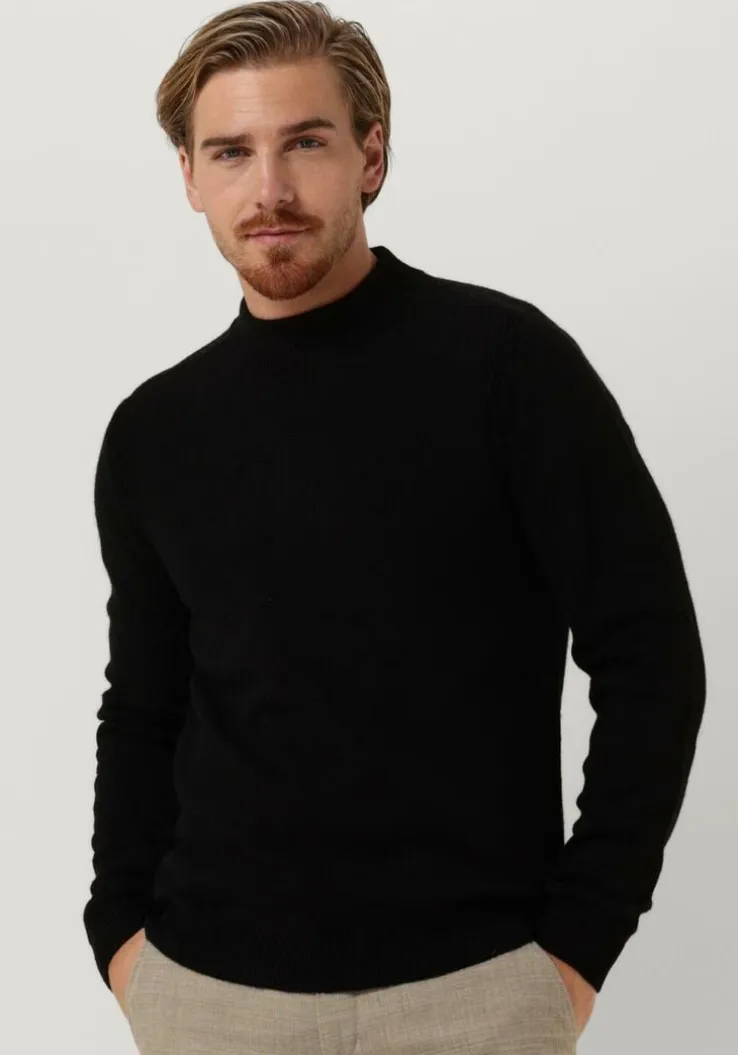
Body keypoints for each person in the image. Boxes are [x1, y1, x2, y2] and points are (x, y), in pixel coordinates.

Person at [83, 3, 706, 1053]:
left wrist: (577, 947)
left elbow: (652, 656)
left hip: (477, 995)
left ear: (370, 154)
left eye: (305, 142)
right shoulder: (154, 432)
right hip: (207, 998)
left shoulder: (509, 370)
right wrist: (120, 936)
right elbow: (144, 703)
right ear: (189, 175)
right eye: (231, 151)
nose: (269, 189)